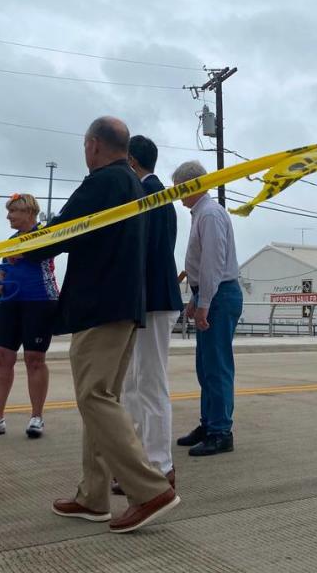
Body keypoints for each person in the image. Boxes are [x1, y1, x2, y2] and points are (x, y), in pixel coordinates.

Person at [27, 116, 179, 534]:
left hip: (101, 307)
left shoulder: (103, 182)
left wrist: (22, 244)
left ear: (93, 145)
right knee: (102, 397)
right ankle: (93, 496)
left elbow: (59, 233)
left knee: (94, 396)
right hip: (126, 306)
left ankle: (149, 489)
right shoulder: (133, 185)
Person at [112, 135, 183, 493]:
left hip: (153, 301)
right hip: (149, 301)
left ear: (132, 163)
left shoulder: (149, 197)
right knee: (137, 384)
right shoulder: (156, 195)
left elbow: (140, 255)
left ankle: (159, 465)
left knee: (150, 384)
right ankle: (143, 461)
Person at [0, 193, 58, 438]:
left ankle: (37, 417)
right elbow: (2, 273)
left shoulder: (45, 234)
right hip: (11, 301)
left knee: (34, 358)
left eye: (13, 211)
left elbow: (47, 254)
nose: (8, 216)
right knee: (3, 356)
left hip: (40, 300)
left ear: (28, 212)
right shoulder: (10, 240)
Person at [172, 160, 243, 457]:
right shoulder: (200, 213)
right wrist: (195, 299)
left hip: (220, 295)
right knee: (206, 367)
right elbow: (202, 267)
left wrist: (204, 304)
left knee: (217, 366)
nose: (177, 194)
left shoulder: (210, 215)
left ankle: (220, 431)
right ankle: (209, 423)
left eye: (179, 187)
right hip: (212, 294)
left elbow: (214, 263)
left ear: (193, 185)